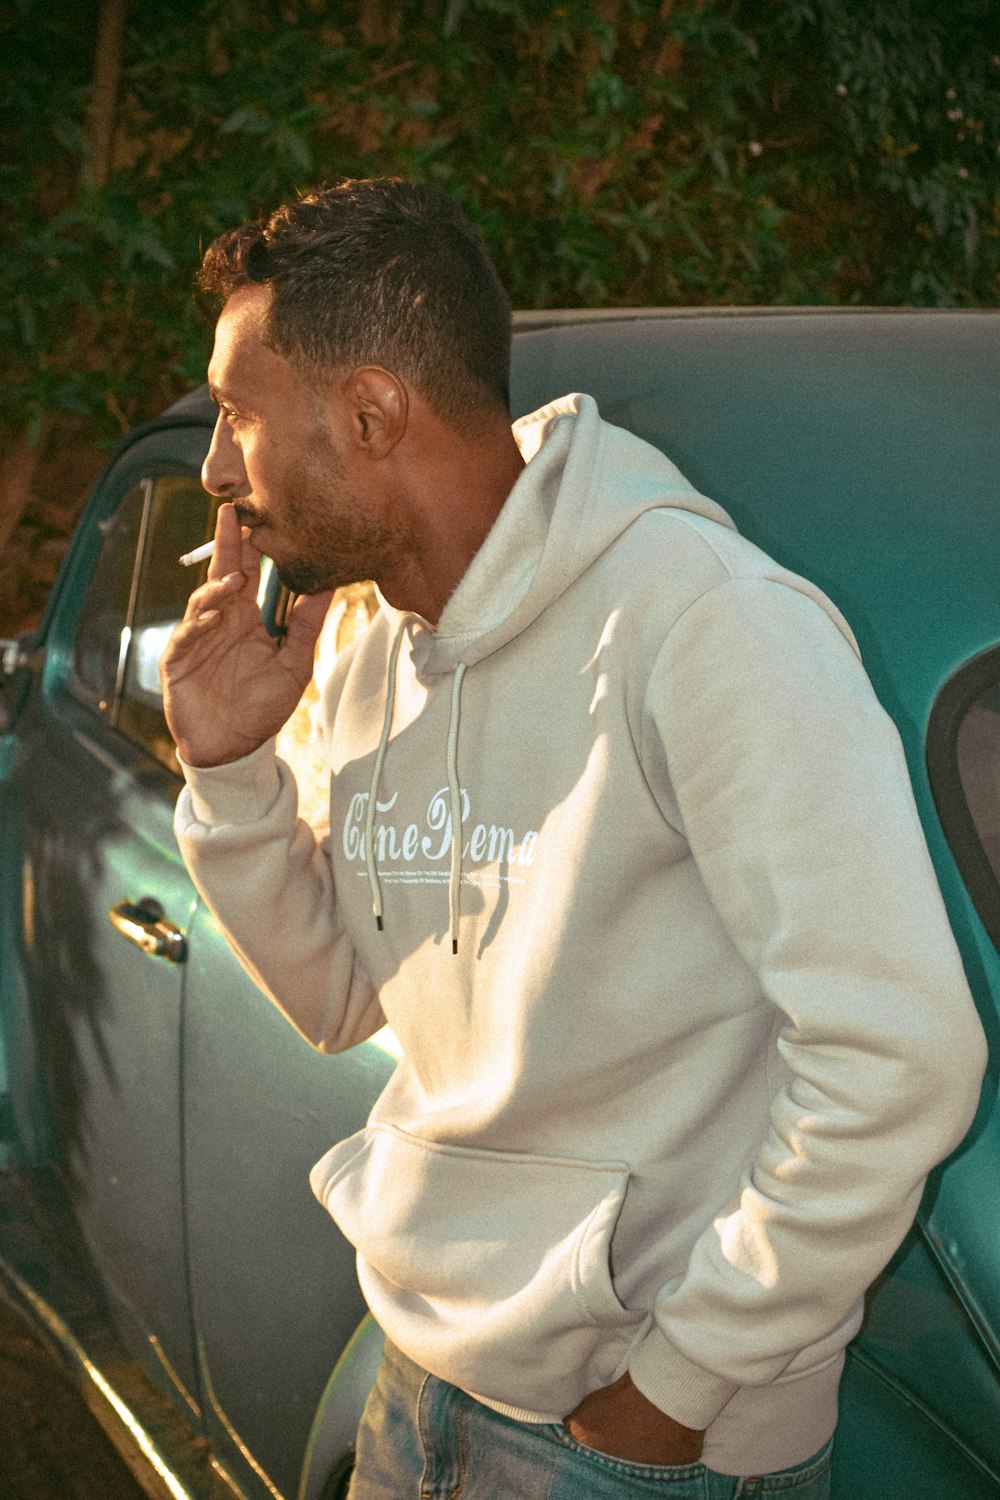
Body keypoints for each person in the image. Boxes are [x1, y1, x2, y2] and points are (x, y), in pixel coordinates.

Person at [161, 178, 986, 1500]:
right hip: (419, 1370)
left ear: (371, 412)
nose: (215, 468)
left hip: (640, 1441)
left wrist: (676, 1393)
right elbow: (336, 999)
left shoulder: (705, 625)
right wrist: (231, 769)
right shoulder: (373, 641)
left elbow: (901, 1055)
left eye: (239, 416)